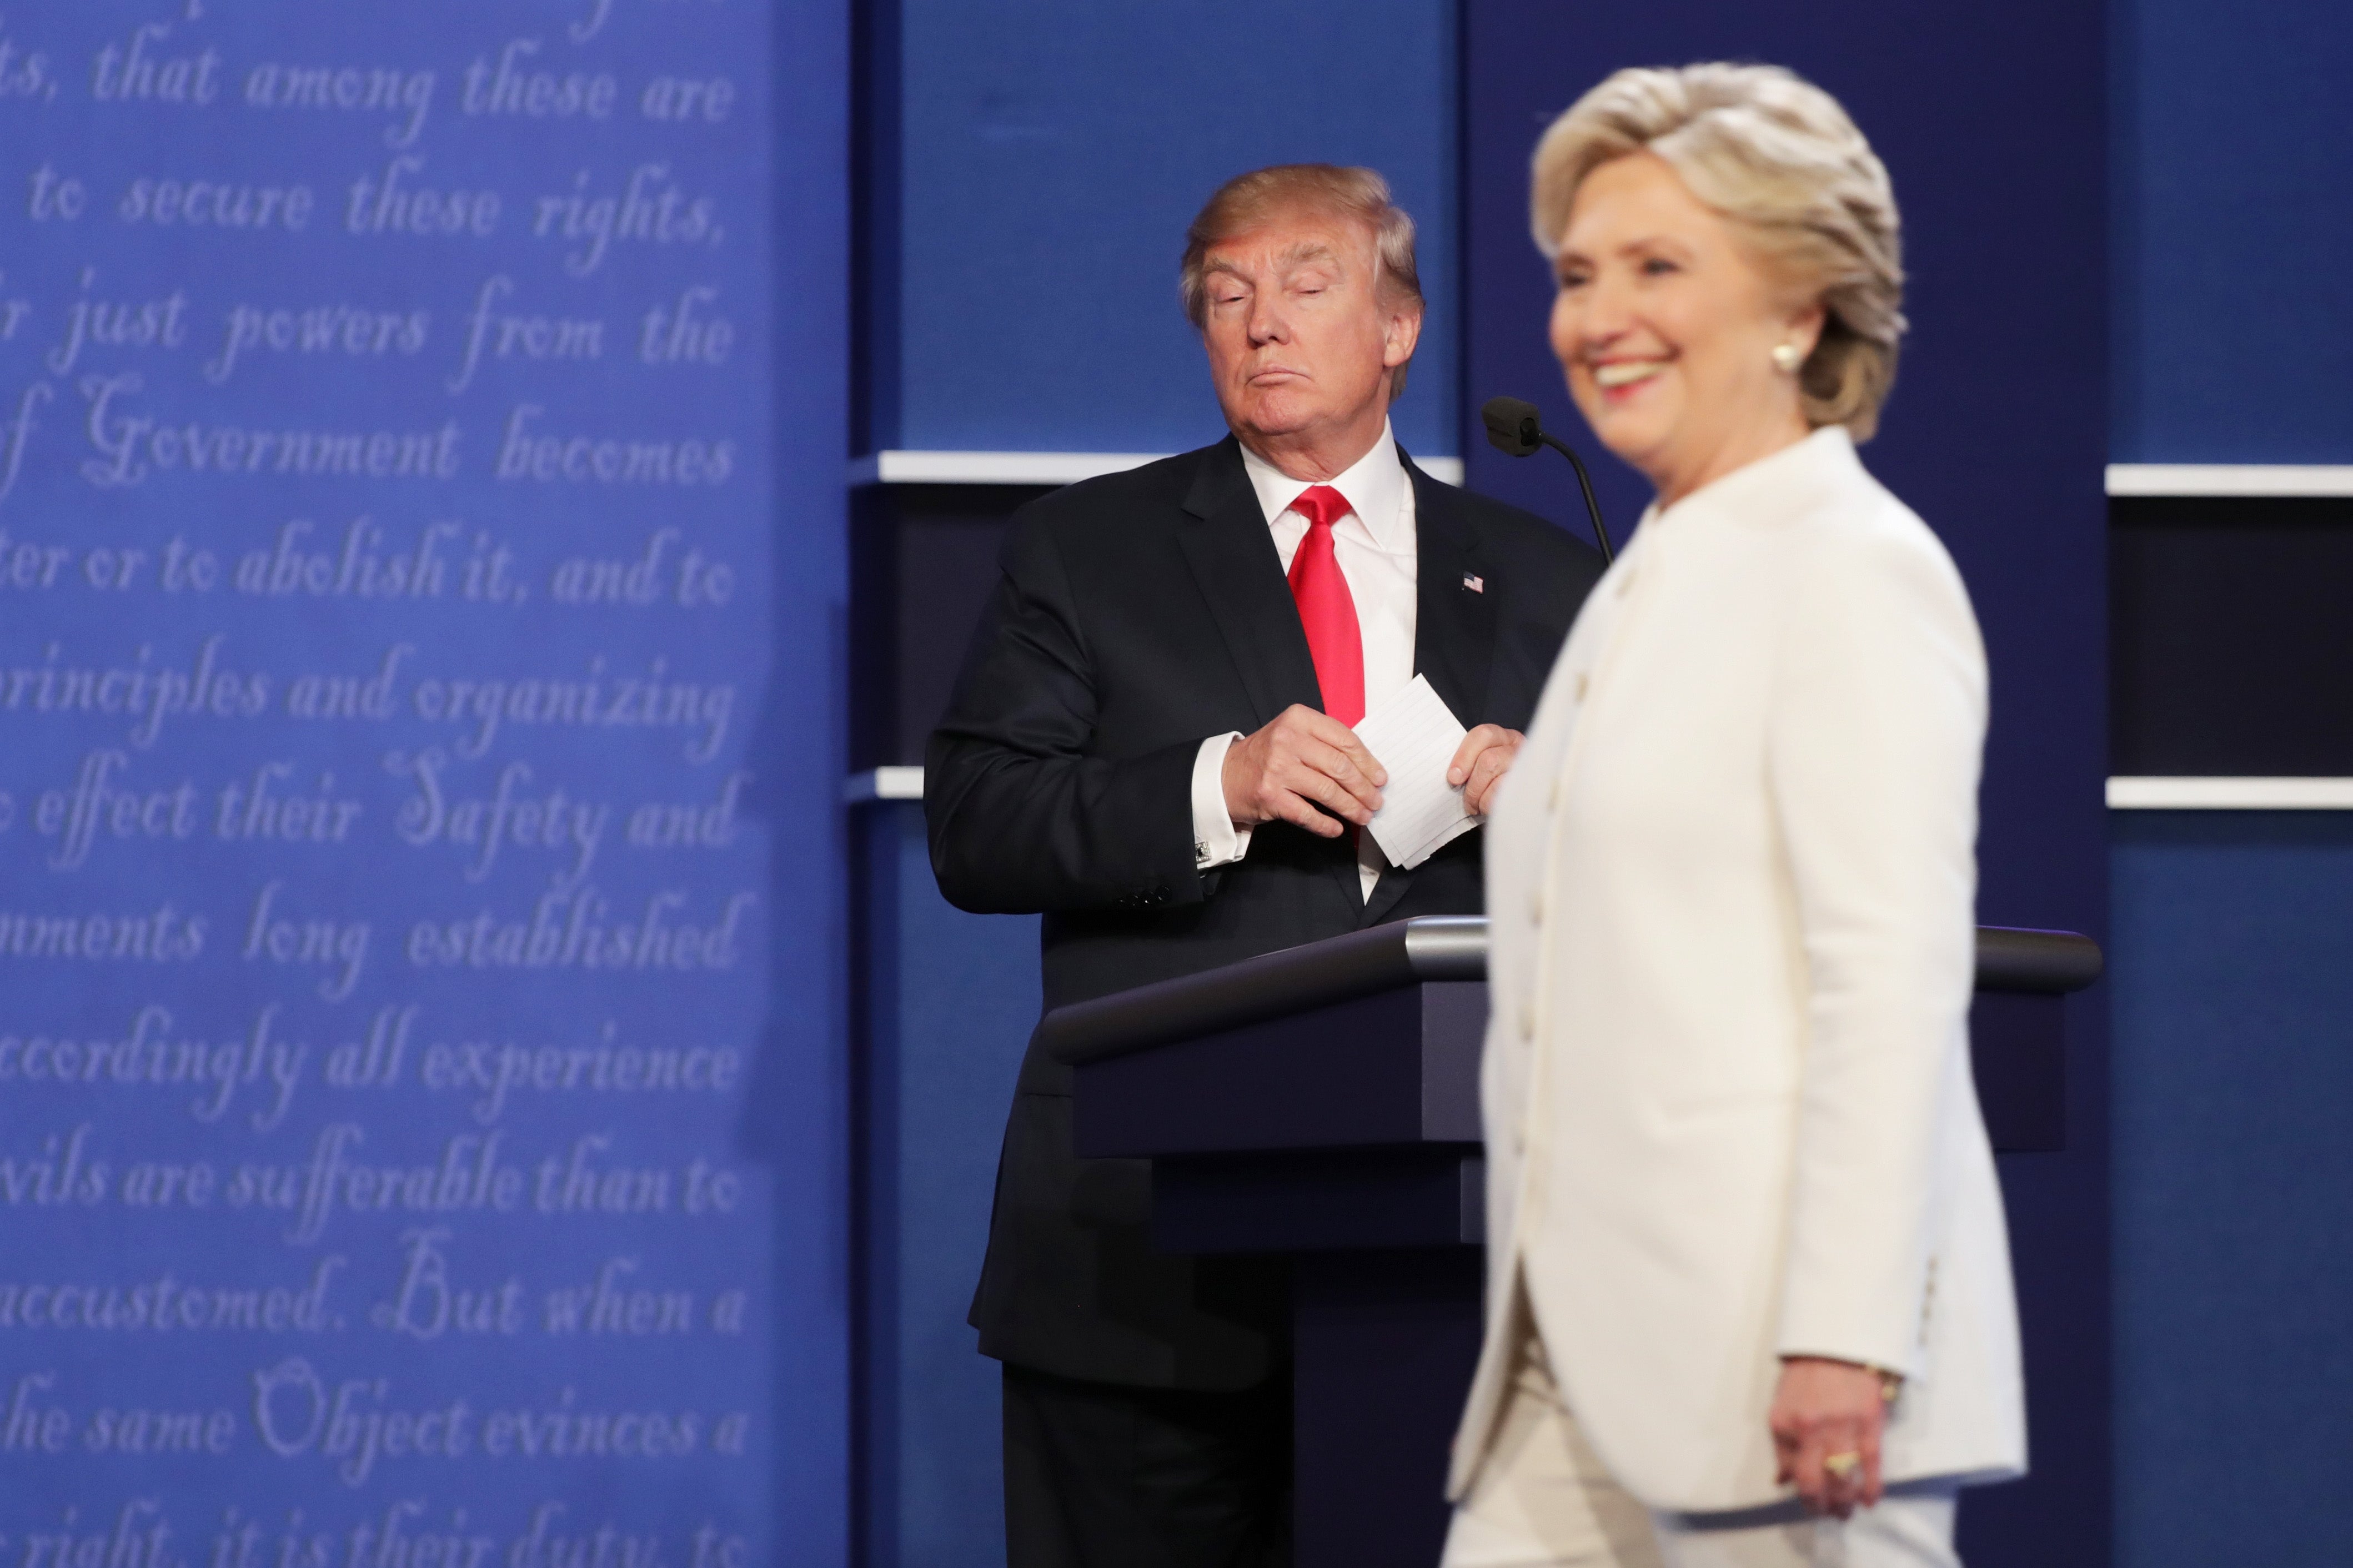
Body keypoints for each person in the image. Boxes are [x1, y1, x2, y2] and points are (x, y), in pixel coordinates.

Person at [927, 164, 1606, 1567]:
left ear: (1400, 326)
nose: (1260, 325)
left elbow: (1675, 892)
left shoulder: (1550, 574)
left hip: (1452, 1269)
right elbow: (978, 822)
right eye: (1226, 298)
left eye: (1305, 284)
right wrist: (1212, 782)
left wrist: (1572, 810)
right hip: (1142, 1252)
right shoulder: (1087, 548)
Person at [1441, 65, 2024, 1568]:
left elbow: (1883, 981)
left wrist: (1837, 1336)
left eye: (1656, 267)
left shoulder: (1843, 566)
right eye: (1576, 275)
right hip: (1568, 1364)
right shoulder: (1650, 567)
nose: (1594, 317)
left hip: (1775, 1379)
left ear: (1800, 307)